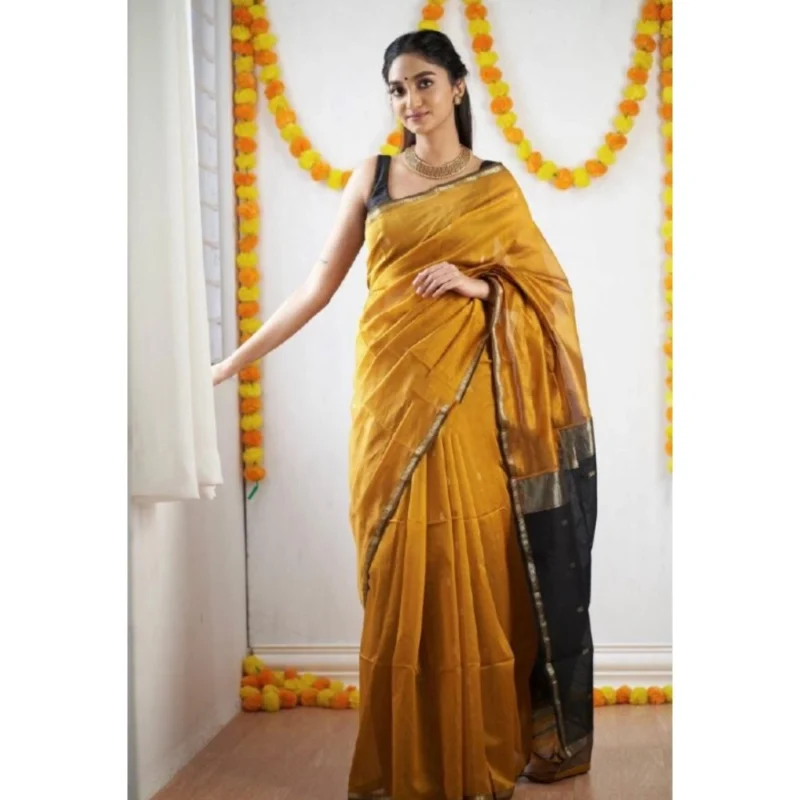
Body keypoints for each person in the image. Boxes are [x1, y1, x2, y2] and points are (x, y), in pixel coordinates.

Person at [213, 29, 598, 800]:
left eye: (424, 83)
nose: (411, 101)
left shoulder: (495, 186)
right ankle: (405, 762)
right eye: (397, 89)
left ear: (458, 87)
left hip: (467, 401)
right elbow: (318, 284)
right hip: (388, 397)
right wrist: (229, 363)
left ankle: (474, 752)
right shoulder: (375, 176)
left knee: (468, 561)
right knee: (397, 570)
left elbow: (547, 292)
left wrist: (478, 285)